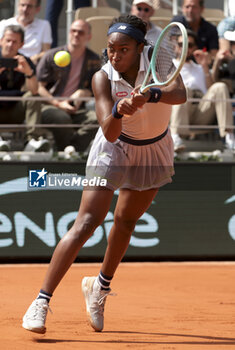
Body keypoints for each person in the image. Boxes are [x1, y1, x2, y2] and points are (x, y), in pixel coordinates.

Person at [22, 14, 186, 334]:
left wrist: (151, 95)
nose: (115, 55)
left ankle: (99, 289)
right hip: (114, 148)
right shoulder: (102, 78)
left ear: (140, 48)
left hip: (153, 149)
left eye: (124, 49)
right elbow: (109, 133)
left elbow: (179, 94)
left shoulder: (160, 60)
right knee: (86, 223)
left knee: (126, 222)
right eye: (111, 48)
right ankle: (41, 301)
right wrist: (118, 110)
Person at [36, 19, 101, 152]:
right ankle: (68, 153)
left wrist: (84, 92)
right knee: (62, 118)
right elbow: (39, 87)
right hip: (49, 106)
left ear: (89, 37)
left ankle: (71, 150)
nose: (76, 34)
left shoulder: (94, 59)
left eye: (81, 32)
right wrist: (58, 104)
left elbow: (97, 87)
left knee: (97, 119)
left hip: (76, 109)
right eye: (73, 31)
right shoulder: (51, 55)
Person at [170, 29, 235, 152]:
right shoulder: (169, 66)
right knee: (185, 90)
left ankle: (229, 136)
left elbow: (211, 91)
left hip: (201, 111)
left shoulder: (200, 67)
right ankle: (175, 136)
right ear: (175, 47)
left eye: (190, 45)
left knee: (220, 86)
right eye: (181, 44)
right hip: (178, 112)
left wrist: (205, 67)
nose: (185, 48)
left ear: (195, 47)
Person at [0, 25, 50, 152]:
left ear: (21, 44)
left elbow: (34, 91)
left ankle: (32, 142)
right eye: (8, 40)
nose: (10, 45)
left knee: (33, 97)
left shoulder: (25, 61)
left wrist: (28, 72)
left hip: (16, 109)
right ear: (1, 41)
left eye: (14, 42)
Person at [0, 0, 52, 65]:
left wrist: (31, 60)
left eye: (29, 6)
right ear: (18, 6)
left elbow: (46, 51)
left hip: (33, 65)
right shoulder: (4, 24)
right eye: (22, 5)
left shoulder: (44, 25)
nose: (25, 9)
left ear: (37, 9)